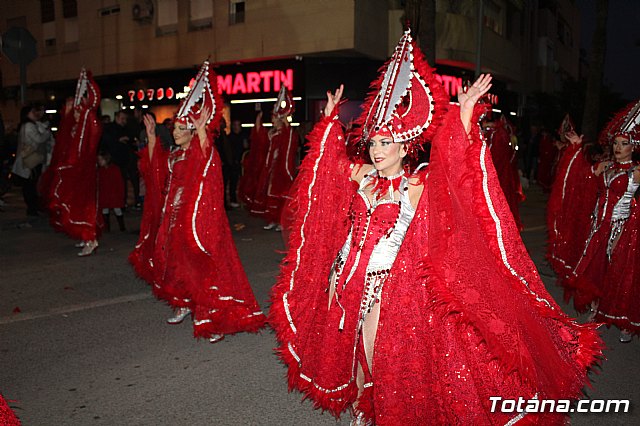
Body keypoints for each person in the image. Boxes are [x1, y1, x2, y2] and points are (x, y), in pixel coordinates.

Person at [269, 30, 602, 425]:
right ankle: (363, 404)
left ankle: (380, 405)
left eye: (385, 143)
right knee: (352, 348)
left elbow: (455, 176)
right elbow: (323, 177)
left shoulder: (417, 184)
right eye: (373, 142)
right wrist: (327, 123)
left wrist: (463, 115)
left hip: (389, 284)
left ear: (405, 146)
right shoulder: (361, 176)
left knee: (376, 348)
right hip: (345, 278)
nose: (376, 151)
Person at [131, 60, 266, 343]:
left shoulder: (199, 153)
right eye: (175, 128)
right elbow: (156, 175)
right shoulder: (175, 156)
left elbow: (208, 166)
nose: (176, 132)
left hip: (198, 220)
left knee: (201, 267)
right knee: (174, 262)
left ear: (193, 132)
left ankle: (211, 317)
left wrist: (203, 129)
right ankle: (182, 302)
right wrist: (152, 139)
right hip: (173, 219)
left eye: (181, 128)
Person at [559, 100, 640, 343]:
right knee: (597, 269)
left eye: (624, 144)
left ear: (633, 146)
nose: (618, 147)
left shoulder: (636, 171)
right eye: (615, 143)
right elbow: (579, 181)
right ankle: (598, 308)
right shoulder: (605, 166)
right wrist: (575, 148)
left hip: (623, 229)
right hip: (599, 225)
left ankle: (625, 319)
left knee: (622, 274)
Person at [46, 68, 103, 256]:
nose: (75, 114)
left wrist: (89, 82)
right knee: (73, 204)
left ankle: (90, 239)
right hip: (73, 171)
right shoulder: (76, 127)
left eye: (79, 111)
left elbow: (94, 102)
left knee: (84, 206)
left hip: (83, 172)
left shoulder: (90, 125)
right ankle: (85, 236)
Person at [250, 87, 300, 230]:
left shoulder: (286, 133)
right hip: (270, 168)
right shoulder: (272, 133)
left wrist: (285, 122)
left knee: (280, 194)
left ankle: (280, 221)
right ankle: (272, 219)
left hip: (280, 169)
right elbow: (261, 141)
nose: (272, 119)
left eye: (273, 117)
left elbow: (289, 141)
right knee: (269, 193)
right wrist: (258, 123)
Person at [11, 104, 53, 216]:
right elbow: (38, 139)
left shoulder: (31, 124)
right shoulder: (29, 125)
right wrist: (47, 133)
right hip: (31, 158)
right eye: (33, 111)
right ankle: (32, 208)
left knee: (30, 184)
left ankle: (33, 207)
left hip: (32, 158)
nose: (36, 114)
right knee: (31, 184)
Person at [97, 150, 126, 232]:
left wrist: (121, 194)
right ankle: (107, 227)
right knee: (104, 209)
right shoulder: (100, 171)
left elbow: (119, 182)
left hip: (114, 193)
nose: (99, 162)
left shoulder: (114, 169)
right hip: (105, 193)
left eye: (101, 160)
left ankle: (122, 227)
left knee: (117, 209)